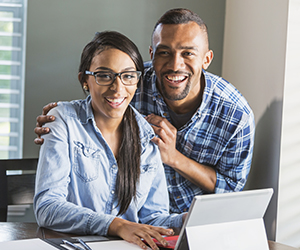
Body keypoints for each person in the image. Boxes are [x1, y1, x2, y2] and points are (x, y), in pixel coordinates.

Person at [34, 8, 255, 214]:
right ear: (152, 54)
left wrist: (174, 158)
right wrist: (62, 120)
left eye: (188, 53)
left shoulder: (236, 115)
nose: (175, 65)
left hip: (185, 222)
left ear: (206, 59)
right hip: (130, 221)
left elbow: (231, 190)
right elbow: (102, 92)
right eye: (164, 52)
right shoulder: (132, 80)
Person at [33, 31, 185, 250]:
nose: (117, 88)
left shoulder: (147, 136)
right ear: (85, 80)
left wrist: (184, 220)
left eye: (128, 76)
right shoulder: (63, 121)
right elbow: (47, 208)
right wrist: (117, 225)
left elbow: (152, 218)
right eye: (104, 75)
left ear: (137, 81)